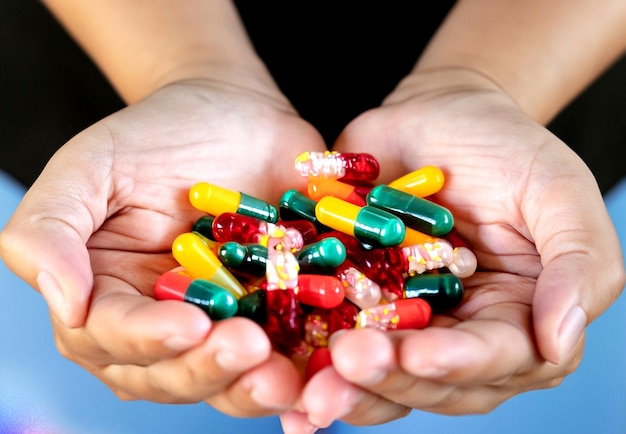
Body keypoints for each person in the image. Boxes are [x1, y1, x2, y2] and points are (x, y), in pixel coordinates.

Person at [0, 1, 625, 433]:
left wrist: (477, 82)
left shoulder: (381, 230)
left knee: (425, 379)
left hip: (544, 64)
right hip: (111, 54)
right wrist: (186, 67)